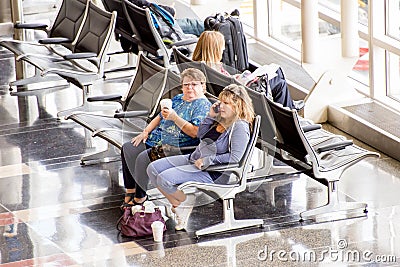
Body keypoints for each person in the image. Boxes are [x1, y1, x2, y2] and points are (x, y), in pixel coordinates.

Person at [146, 84, 255, 230]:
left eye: (227, 103)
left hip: (214, 171)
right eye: (221, 101)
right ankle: (182, 203)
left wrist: (208, 160)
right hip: (194, 158)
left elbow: (236, 157)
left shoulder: (240, 126)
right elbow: (201, 135)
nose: (221, 106)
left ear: (238, 105)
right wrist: (210, 116)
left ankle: (183, 203)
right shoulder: (221, 118)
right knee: (152, 168)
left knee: (164, 178)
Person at [120, 68, 211, 208]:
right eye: (186, 85)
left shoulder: (203, 105)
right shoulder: (178, 99)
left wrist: (175, 118)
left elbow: (194, 132)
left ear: (202, 86)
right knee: (128, 148)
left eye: (194, 84)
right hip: (158, 139)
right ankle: (130, 190)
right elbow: (160, 116)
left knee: (143, 157)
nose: (190, 88)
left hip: (177, 146)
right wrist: (146, 131)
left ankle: (140, 197)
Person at [192, 31, 304, 110]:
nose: (223, 49)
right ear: (215, 49)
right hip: (243, 94)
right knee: (279, 83)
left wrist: (235, 78)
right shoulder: (214, 69)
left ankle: (288, 107)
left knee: (277, 73)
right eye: (221, 47)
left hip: (235, 89)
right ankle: (288, 112)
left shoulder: (201, 66)